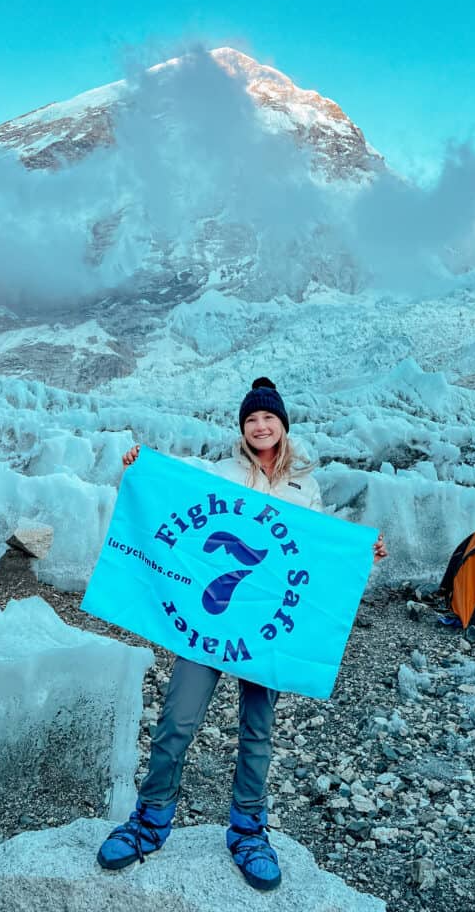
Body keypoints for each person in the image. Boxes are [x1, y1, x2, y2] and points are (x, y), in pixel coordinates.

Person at [96, 377, 387, 890]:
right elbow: (177, 504)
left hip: (269, 625)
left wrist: (362, 556)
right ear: (243, 428)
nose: (260, 426)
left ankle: (249, 831)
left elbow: (316, 553)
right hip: (209, 622)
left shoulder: (304, 485)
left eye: (268, 418)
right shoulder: (222, 472)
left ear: (282, 425)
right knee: (177, 720)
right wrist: (140, 471)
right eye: (251, 419)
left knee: (258, 729)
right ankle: (150, 819)